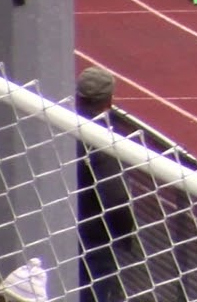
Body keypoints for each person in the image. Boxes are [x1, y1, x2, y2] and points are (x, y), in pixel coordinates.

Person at [75, 66, 136, 302]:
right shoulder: (102, 140)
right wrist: (123, 232)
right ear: (109, 101)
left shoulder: (61, 122)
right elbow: (116, 195)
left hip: (66, 221)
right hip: (95, 235)